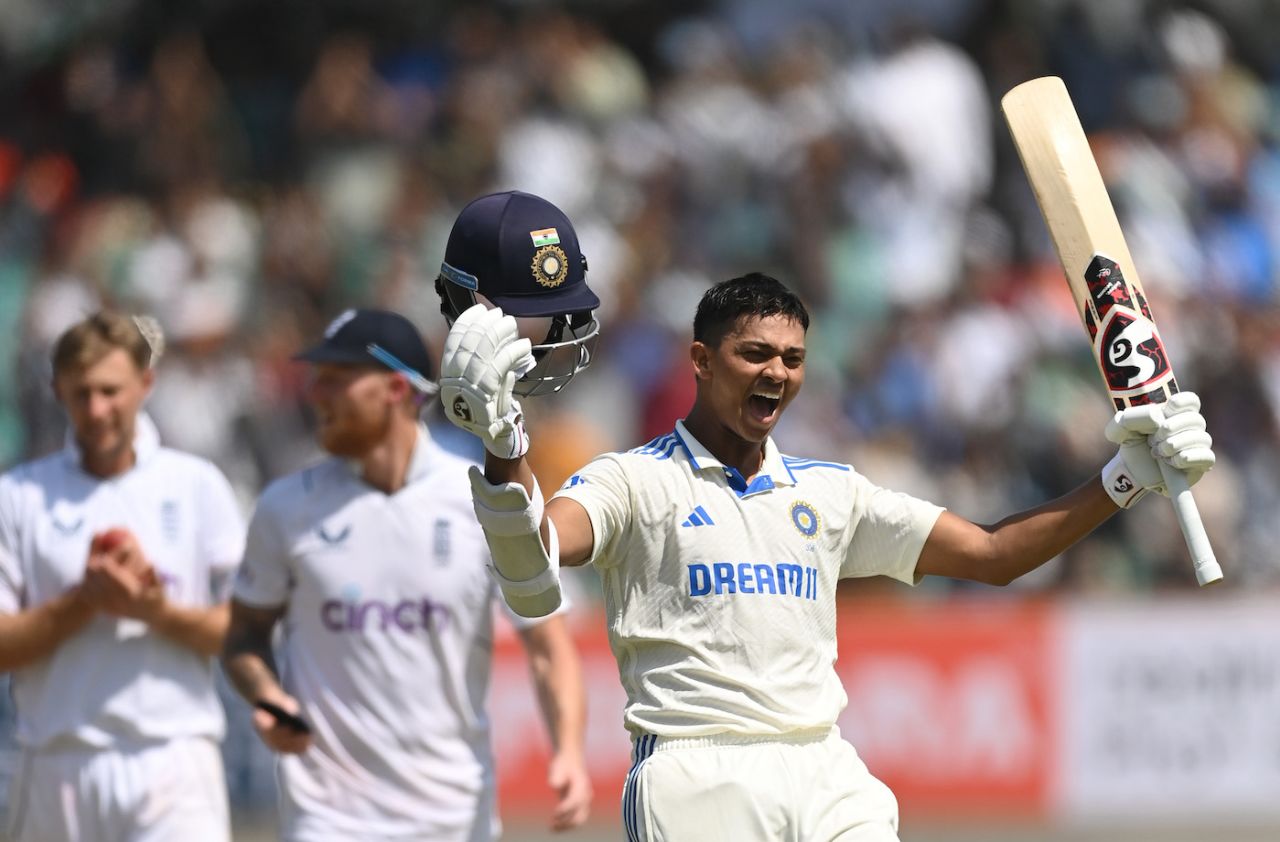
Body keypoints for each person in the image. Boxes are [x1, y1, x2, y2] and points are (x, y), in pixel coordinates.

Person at [434, 196, 1215, 840]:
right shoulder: (631, 482)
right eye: (754, 355)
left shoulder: (830, 494)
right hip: (695, 776)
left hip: (824, 769)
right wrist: (505, 445)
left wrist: (1123, 479)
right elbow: (532, 562)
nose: (777, 372)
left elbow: (994, 553)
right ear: (702, 363)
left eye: (793, 358)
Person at [220, 307, 593, 842]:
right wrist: (267, 696)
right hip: (326, 820)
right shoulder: (284, 507)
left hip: (454, 818)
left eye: (336, 380)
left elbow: (548, 644)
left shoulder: (477, 501)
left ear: (395, 389)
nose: (315, 395)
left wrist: (570, 754)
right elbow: (244, 638)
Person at [0, 311, 246, 842]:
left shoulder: (196, 485)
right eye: (80, 393)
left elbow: (246, 630)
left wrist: (156, 611)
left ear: (146, 384)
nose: (97, 410)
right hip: (55, 759)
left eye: (111, 391)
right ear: (56, 391)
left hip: (174, 757)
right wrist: (82, 602)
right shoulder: (19, 495)